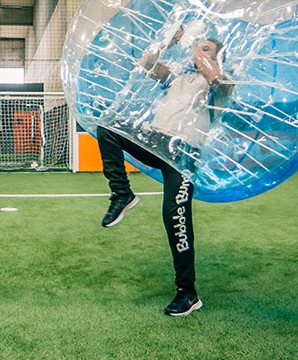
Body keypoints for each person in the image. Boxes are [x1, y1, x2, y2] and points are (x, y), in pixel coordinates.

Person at [97, 30, 233, 316]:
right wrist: (169, 40)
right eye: (198, 47)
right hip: (158, 143)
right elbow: (146, 64)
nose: (198, 52)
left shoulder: (220, 85)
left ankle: (188, 293)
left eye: (206, 49)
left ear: (217, 56)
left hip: (184, 155)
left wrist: (202, 55)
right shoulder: (179, 78)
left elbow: (220, 84)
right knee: (107, 126)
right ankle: (122, 193)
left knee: (175, 218)